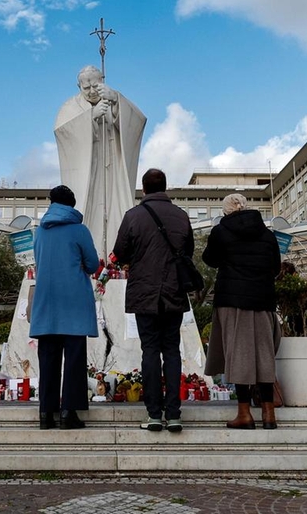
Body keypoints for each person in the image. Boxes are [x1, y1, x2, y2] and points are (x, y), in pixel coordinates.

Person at [112, 168, 191, 433]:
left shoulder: (133, 216)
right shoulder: (181, 216)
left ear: (143, 189)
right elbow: (187, 251)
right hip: (173, 291)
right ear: (165, 187)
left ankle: (154, 414)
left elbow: (120, 252)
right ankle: (175, 414)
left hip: (144, 292)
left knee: (150, 351)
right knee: (172, 351)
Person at [202, 194, 282, 430]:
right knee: (264, 356)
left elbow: (210, 259)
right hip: (263, 299)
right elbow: (276, 267)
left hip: (232, 299)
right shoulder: (267, 234)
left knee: (238, 356)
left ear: (226, 211)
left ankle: (244, 414)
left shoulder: (220, 231)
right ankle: (269, 414)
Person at [55, 65, 147, 257]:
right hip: (87, 171)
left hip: (112, 168)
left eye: (95, 86)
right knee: (88, 210)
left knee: (115, 207)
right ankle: (89, 254)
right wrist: (90, 117)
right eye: (85, 88)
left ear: (102, 80)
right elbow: (63, 133)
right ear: (78, 86)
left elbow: (138, 122)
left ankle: (117, 256)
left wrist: (117, 103)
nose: (90, 91)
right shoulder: (69, 107)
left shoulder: (114, 98)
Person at [28, 185, 99, 430]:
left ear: (51, 203)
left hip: (47, 301)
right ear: (72, 205)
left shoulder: (40, 232)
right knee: (74, 359)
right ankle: (69, 412)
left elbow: (39, 262)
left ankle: (46, 414)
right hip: (74, 302)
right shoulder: (79, 230)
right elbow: (91, 264)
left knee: (47, 358)